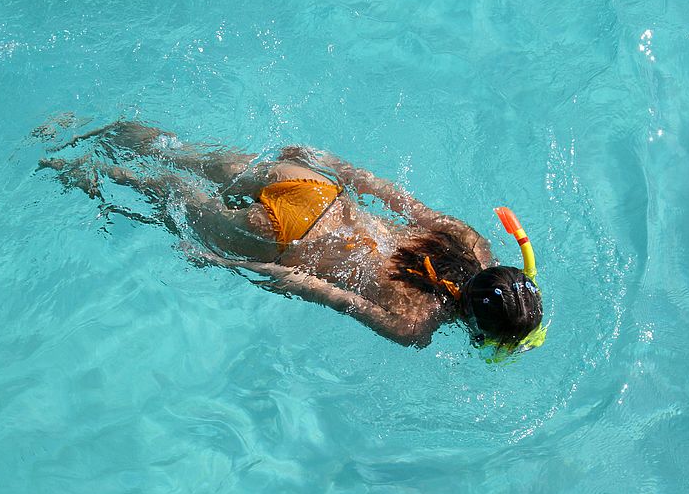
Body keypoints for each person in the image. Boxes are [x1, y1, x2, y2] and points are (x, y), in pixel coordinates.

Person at [38, 120, 545, 353]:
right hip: (281, 238)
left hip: (315, 190)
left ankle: (81, 128)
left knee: (179, 152)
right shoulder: (413, 324)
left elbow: (394, 197)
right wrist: (231, 265)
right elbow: (315, 288)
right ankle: (75, 167)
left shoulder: (474, 242)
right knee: (165, 192)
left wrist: (328, 161)